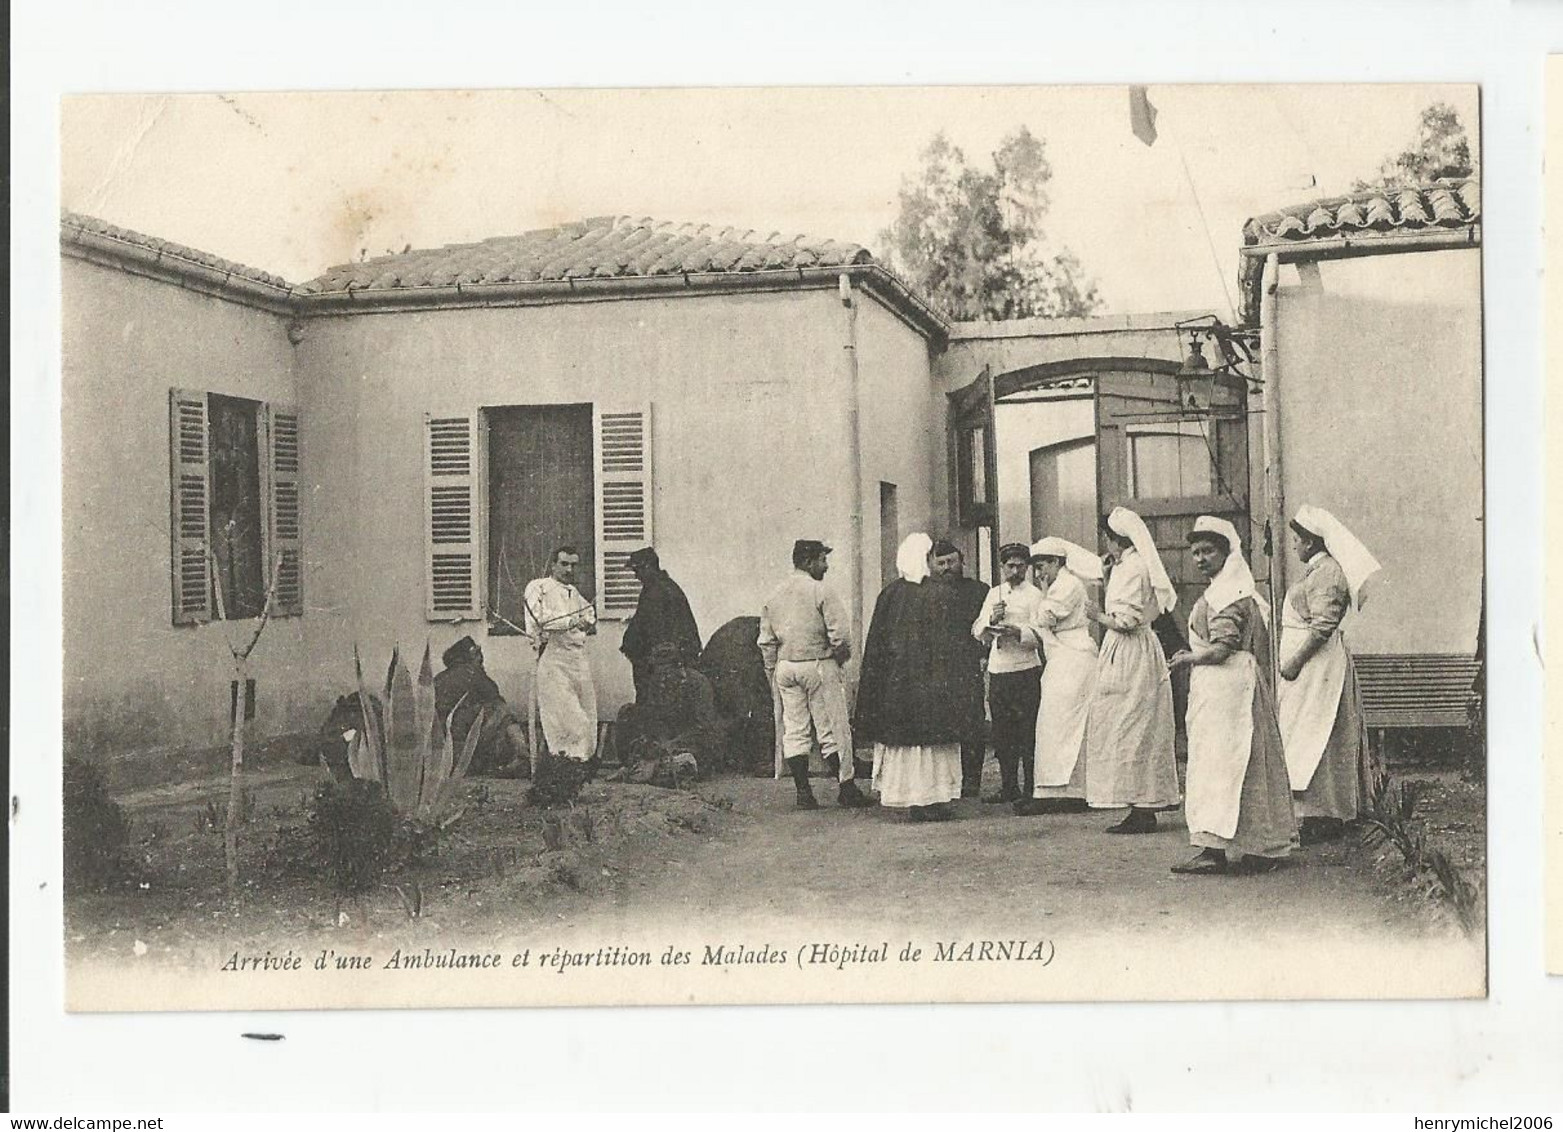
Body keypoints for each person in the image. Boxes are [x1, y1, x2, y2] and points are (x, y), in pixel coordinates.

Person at [1168, 517, 1297, 876]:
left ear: (1227, 552)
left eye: (1208, 551)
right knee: (1241, 763)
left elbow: (1223, 647)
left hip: (1228, 688)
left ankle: (1218, 848)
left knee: (1222, 764)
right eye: (1195, 552)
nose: (1200, 559)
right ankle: (1255, 844)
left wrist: (1188, 657)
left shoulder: (1229, 595)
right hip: (1228, 687)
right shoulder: (1229, 590)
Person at [856, 533, 981, 821]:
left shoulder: (890, 594)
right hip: (933, 686)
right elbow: (954, 644)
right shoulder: (939, 594)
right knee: (932, 747)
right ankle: (932, 799)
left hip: (898, 688)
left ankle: (914, 800)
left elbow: (877, 646)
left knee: (910, 747)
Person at [1278, 505, 1381, 844]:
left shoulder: (1327, 572)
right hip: (1310, 669)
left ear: (1310, 542)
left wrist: (1295, 660)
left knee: (1319, 732)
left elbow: (1323, 624)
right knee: (1305, 732)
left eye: (1297, 540)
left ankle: (1326, 814)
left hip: (1318, 667)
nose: (1294, 546)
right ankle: (1312, 812)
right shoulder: (1315, 570)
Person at [1083, 507, 1181, 833]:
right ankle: (1145, 800)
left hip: (1129, 652)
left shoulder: (1133, 568)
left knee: (1129, 724)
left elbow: (1125, 620)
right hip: (1138, 649)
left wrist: (1095, 614)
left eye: (1107, 540)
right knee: (1135, 724)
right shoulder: (1131, 565)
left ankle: (1142, 806)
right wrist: (1109, 577)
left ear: (1115, 540)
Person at [757, 540, 871, 809]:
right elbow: (840, 635)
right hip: (818, 663)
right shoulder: (820, 590)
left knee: (794, 729)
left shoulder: (775, 593)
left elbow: (766, 641)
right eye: (822, 560)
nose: (826, 565)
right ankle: (846, 787)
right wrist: (838, 662)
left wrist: (773, 672)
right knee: (832, 726)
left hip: (786, 667)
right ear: (808, 562)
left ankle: (803, 792)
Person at [1014, 537, 1102, 816]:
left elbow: (1045, 618)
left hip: (1073, 656)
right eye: (1036, 569)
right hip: (1063, 655)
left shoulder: (1067, 585)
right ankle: (1056, 790)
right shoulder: (1056, 586)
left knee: (1064, 723)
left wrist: (1032, 616)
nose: (1039, 574)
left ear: (1056, 562)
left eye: (1042, 566)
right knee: (1057, 724)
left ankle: (1069, 791)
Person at [971, 543, 1045, 804]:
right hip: (999, 669)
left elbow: (1041, 634)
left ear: (1027, 567)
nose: (1015, 571)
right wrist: (992, 618)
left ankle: (1031, 787)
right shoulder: (994, 593)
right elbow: (977, 630)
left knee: (1028, 729)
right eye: (1010, 566)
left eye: (1020, 566)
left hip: (1025, 668)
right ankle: (1008, 785)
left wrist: (1018, 632)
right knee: (1003, 732)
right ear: (1002, 567)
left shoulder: (1035, 595)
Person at [523, 546, 599, 800]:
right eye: (564, 564)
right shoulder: (539, 587)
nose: (569, 570)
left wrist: (585, 620)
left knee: (588, 721)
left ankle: (572, 785)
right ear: (553, 564)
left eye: (574, 565)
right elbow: (540, 619)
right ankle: (557, 783)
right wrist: (570, 621)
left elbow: (589, 614)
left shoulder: (574, 593)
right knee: (568, 722)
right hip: (554, 659)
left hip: (577, 659)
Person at [932, 542, 993, 798]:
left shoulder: (979, 591)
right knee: (940, 724)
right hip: (936, 668)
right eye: (941, 563)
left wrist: (983, 656)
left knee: (972, 724)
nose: (947, 568)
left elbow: (986, 627)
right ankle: (944, 781)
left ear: (962, 561)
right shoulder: (928, 593)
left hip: (968, 666)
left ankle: (971, 781)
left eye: (951, 562)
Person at [615, 640, 723, 771]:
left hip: (692, 739)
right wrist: (655, 741)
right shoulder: (656, 681)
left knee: (682, 761)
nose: (662, 678)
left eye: (666, 673)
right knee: (628, 712)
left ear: (679, 667)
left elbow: (704, 727)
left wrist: (671, 745)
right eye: (657, 672)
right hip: (668, 737)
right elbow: (654, 716)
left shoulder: (698, 684)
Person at [433, 636, 530, 777]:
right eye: (478, 656)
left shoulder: (439, 678)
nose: (481, 661)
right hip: (463, 736)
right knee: (501, 710)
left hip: (443, 744)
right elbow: (494, 696)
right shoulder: (473, 673)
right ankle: (522, 754)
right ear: (472, 657)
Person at [620, 546, 702, 702]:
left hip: (660, 661)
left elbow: (659, 629)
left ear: (648, 567)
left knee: (655, 700)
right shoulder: (661, 586)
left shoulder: (658, 590)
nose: (636, 576)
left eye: (637, 571)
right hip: (659, 659)